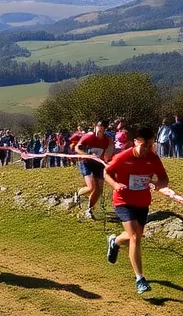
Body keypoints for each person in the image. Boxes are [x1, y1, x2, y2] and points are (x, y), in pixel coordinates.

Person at [102, 124, 170, 295]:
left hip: (142, 202)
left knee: (137, 234)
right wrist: (116, 185)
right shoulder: (122, 157)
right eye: (143, 144)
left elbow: (164, 179)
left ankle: (115, 241)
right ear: (135, 142)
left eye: (150, 145)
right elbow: (106, 173)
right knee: (134, 237)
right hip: (123, 201)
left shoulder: (153, 159)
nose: (146, 148)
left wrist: (157, 184)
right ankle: (140, 279)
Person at [71, 119, 114, 220]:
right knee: (91, 187)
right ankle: (78, 193)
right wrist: (87, 155)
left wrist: (108, 157)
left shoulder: (107, 140)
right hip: (86, 163)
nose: (100, 129)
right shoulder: (89, 137)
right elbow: (77, 148)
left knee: (99, 189)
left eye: (103, 128)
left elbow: (110, 148)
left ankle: (89, 209)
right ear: (95, 127)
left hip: (98, 164)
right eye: (99, 127)